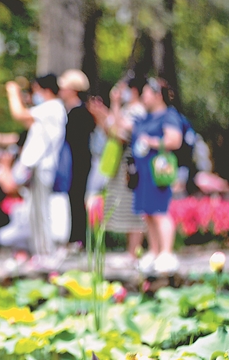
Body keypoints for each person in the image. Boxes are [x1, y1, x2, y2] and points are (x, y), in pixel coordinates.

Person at [0, 74, 68, 263]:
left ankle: (45, 253)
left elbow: (19, 114)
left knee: (40, 212)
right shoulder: (48, 110)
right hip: (36, 167)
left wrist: (13, 92)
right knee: (34, 211)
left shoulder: (53, 107)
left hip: (43, 167)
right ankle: (40, 252)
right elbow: (27, 121)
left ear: (46, 90)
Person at [88, 76, 147, 261]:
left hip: (132, 166)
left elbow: (120, 134)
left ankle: (133, 253)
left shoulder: (137, 111)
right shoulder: (127, 109)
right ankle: (130, 252)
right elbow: (111, 131)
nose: (118, 93)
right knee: (125, 208)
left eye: (122, 89)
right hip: (122, 166)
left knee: (134, 209)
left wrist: (111, 107)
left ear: (134, 90)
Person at [131, 77, 183, 274]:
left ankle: (167, 252)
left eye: (146, 93)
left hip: (158, 171)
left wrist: (151, 142)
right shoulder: (145, 117)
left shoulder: (168, 115)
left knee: (160, 211)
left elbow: (174, 140)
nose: (143, 97)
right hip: (143, 172)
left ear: (157, 95)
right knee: (148, 213)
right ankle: (154, 251)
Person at [57, 69, 96, 247]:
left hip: (79, 161)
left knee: (77, 196)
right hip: (71, 160)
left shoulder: (79, 112)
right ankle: (74, 236)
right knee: (73, 197)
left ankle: (79, 238)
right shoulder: (69, 111)